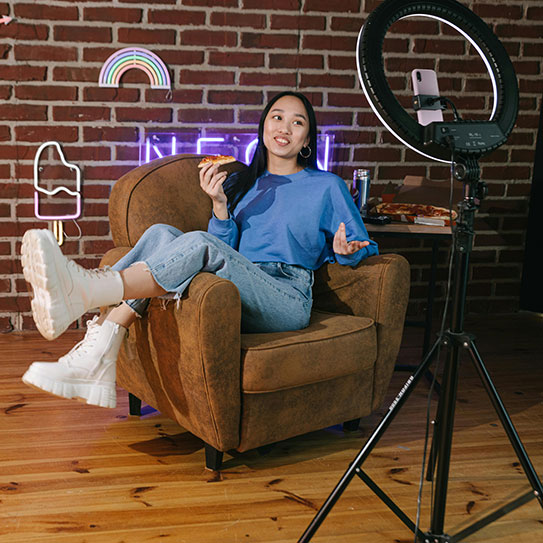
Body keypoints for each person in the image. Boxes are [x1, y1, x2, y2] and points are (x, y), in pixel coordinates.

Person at [20, 91, 378, 409]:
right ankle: (100, 348)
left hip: (286, 297)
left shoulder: (326, 186)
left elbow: (365, 246)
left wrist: (345, 250)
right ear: (264, 128)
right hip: (240, 288)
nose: (285, 127)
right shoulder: (245, 185)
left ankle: (86, 293)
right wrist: (220, 206)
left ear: (306, 140)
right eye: (277, 117)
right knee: (161, 233)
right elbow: (224, 250)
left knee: (197, 242)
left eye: (297, 122)